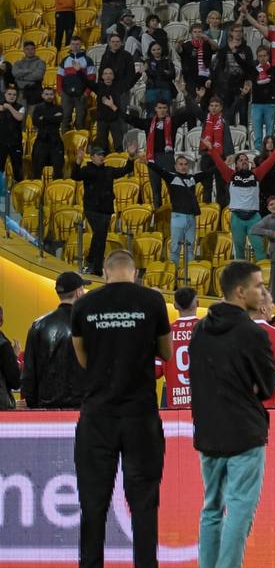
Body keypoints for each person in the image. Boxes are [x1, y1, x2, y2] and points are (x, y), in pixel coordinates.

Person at [70, 250, 172, 568]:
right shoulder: (152, 301)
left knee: (93, 503)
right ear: (135, 272)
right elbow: (167, 352)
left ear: (105, 271)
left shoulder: (84, 305)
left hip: (97, 415)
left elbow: (83, 358)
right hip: (141, 414)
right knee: (144, 503)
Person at [189, 261, 275, 568]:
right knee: (239, 510)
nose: (263, 291)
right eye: (258, 285)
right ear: (241, 292)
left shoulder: (200, 329)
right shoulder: (252, 334)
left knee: (211, 508)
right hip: (244, 433)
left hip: (208, 433)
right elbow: (266, 387)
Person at [21, 271, 88, 409]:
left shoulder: (38, 325)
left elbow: (29, 372)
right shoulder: (88, 323)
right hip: (82, 406)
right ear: (79, 292)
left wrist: (33, 403)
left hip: (46, 406)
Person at [72, 141, 139, 276]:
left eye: (103, 155)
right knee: (100, 235)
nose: (102, 157)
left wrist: (131, 156)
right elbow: (75, 176)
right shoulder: (87, 170)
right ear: (92, 157)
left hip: (106, 210)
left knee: (100, 237)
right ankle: (94, 265)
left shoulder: (108, 170)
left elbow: (125, 170)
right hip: (91, 209)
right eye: (99, 155)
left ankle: (92, 263)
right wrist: (78, 160)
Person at [158, 287, 199, 409]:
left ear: (175, 305)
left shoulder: (165, 334)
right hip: (204, 408)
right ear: (198, 303)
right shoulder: (207, 329)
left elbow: (156, 371)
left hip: (175, 410)